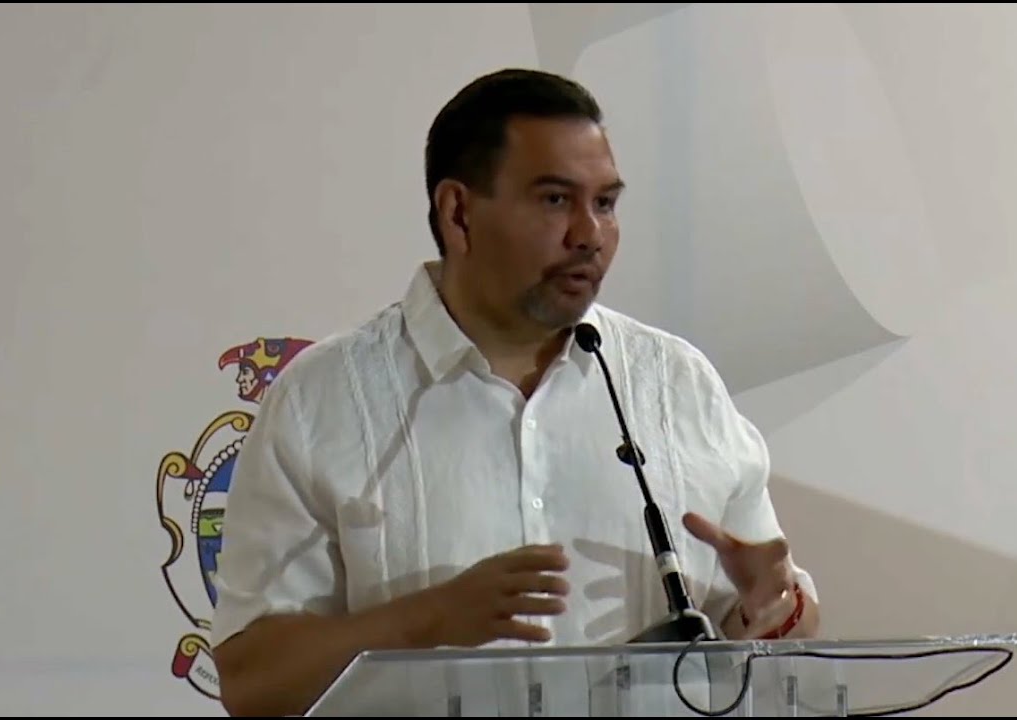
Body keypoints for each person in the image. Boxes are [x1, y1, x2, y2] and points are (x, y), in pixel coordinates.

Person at [207, 67, 821, 717]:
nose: (589, 234)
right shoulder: (322, 400)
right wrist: (428, 619)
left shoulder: (676, 384)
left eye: (605, 204)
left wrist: (770, 605)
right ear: (458, 213)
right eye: (555, 200)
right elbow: (253, 681)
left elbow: (783, 623)